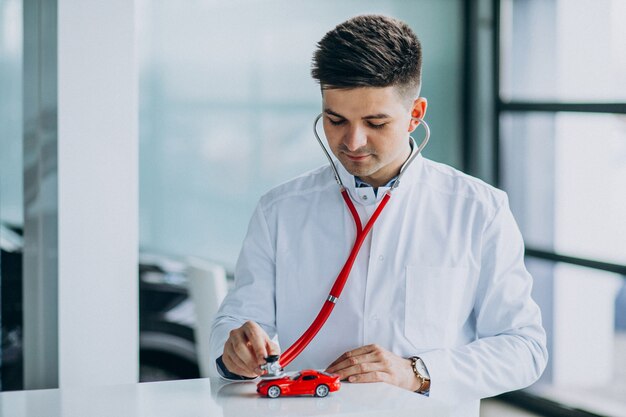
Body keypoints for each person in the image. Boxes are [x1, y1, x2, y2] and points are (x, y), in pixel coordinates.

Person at [209, 14, 547, 417]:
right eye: (335, 120)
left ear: (415, 114)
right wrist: (234, 352)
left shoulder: (478, 210)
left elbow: (524, 347)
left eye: (375, 122)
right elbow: (236, 321)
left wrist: (417, 373)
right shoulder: (279, 209)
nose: (352, 142)